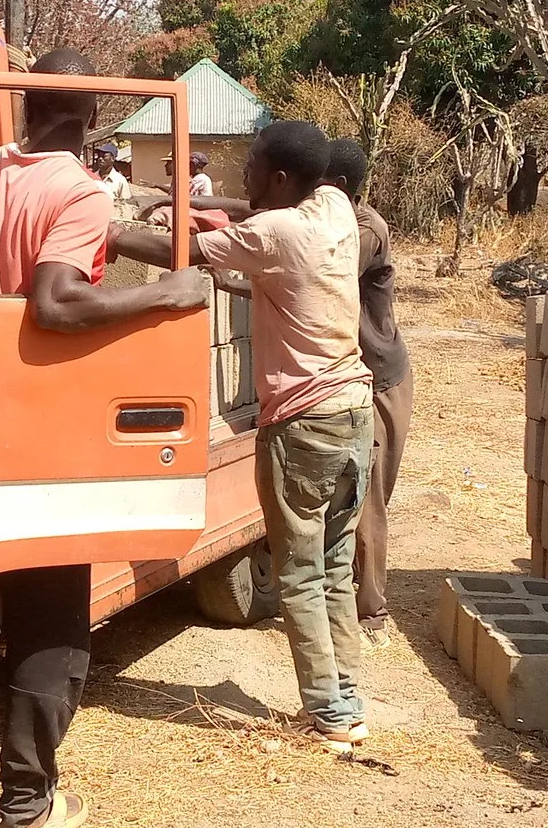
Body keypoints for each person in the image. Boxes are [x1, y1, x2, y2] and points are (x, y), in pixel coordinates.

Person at [0, 49, 210, 828]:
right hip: (36, 430)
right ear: (91, 119)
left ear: (26, 104)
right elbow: (57, 299)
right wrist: (165, 294)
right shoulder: (74, 186)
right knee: (49, 623)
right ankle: (26, 803)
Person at [114, 119, 373, 746]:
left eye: (251, 166)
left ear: (280, 178)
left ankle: (327, 712)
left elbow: (181, 255)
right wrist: (194, 203)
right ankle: (350, 695)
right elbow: (244, 214)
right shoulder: (335, 207)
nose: (242, 177)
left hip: (303, 421)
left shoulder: (276, 233)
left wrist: (105, 227)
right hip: (354, 412)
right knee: (336, 563)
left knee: (300, 573)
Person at [324, 138, 413, 645]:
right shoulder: (339, 219)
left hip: (380, 381)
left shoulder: (363, 232)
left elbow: (316, 270)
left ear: (334, 188)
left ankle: (371, 608)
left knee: (368, 495)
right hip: (358, 373)